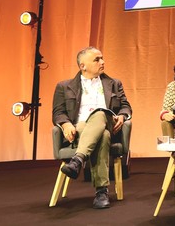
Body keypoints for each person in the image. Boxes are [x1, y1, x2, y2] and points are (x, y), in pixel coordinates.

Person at [52, 46, 133, 210]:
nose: (102, 62)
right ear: (83, 66)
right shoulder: (64, 86)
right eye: (97, 59)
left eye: (102, 58)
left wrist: (123, 116)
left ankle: (77, 160)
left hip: (109, 122)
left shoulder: (114, 83)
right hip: (80, 128)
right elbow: (58, 113)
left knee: (100, 113)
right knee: (103, 136)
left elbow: (126, 107)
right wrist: (66, 124)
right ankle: (102, 192)